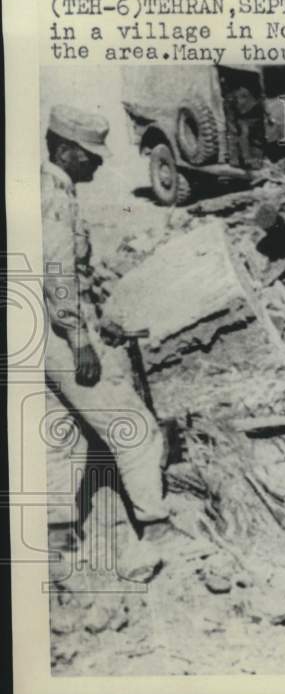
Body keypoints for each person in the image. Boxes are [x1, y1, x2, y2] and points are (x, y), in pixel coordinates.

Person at [42, 105, 174, 582]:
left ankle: (57, 539)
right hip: (58, 336)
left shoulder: (42, 188)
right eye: (89, 155)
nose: (98, 164)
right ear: (63, 149)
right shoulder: (55, 198)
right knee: (133, 428)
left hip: (35, 336)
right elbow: (57, 277)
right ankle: (157, 529)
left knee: (65, 436)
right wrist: (81, 341)